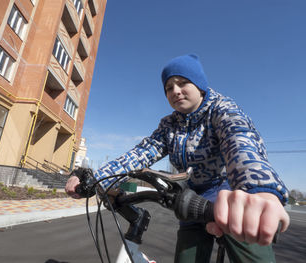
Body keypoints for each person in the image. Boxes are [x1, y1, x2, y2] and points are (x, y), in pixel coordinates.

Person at [66, 54, 290, 262]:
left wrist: (259, 190)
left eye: (183, 83)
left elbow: (240, 141)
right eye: (168, 87)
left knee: (253, 252)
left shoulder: (222, 109)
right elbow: (140, 154)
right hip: (190, 201)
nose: (175, 91)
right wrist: (94, 178)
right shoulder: (169, 125)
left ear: (200, 85)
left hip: (229, 200)